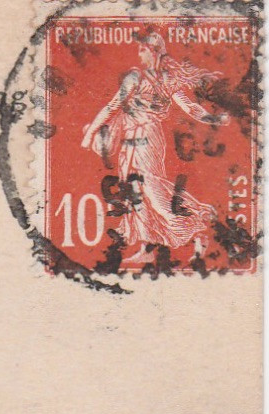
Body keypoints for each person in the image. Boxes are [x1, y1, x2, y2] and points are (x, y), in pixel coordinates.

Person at [80, 29, 231, 266]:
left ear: (155, 52)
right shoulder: (136, 78)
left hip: (148, 138)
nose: (139, 55)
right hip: (129, 139)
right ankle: (147, 248)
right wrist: (91, 133)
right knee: (135, 193)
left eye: (143, 50)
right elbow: (114, 106)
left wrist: (213, 119)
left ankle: (197, 228)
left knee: (153, 191)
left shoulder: (164, 80)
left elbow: (190, 107)